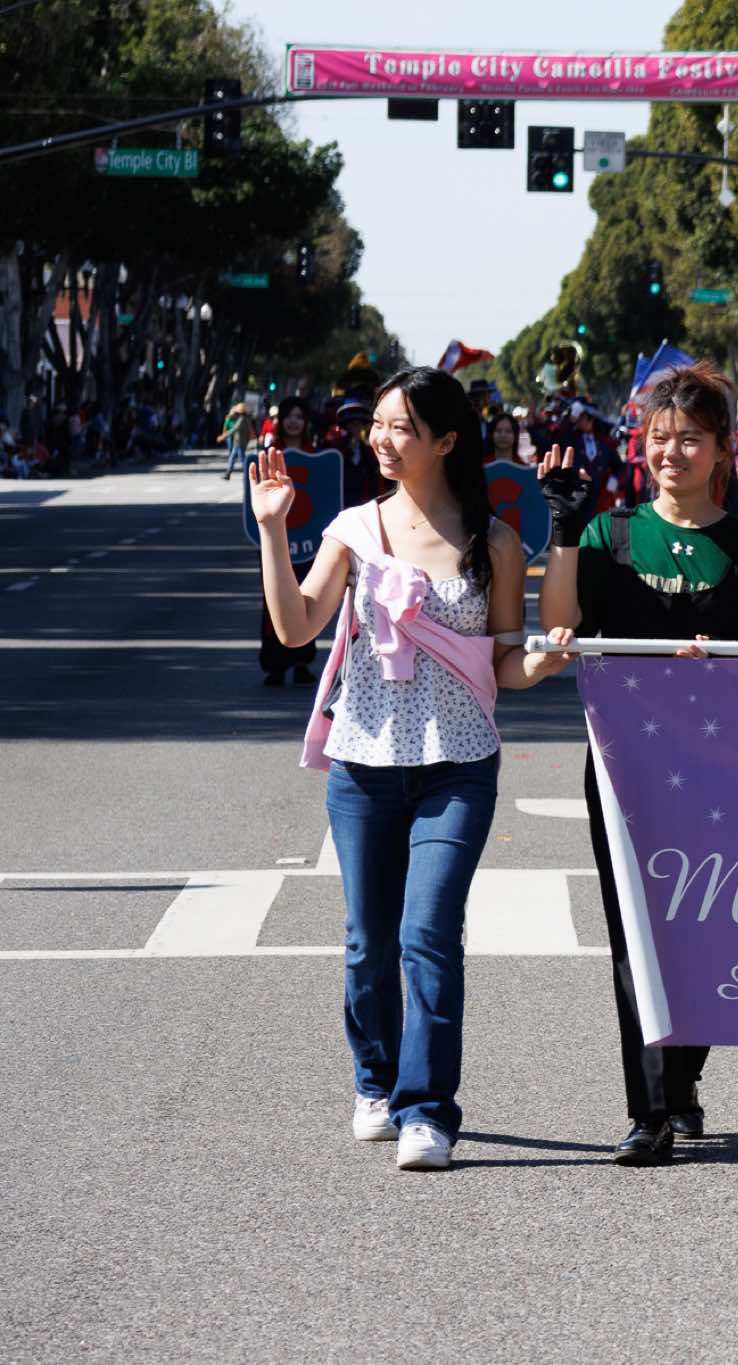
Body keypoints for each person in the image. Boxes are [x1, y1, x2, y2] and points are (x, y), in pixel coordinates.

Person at [251, 365, 569, 1171]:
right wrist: (271, 529)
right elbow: (295, 628)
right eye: (380, 424)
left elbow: (502, 663)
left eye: (402, 427)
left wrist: (541, 662)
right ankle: (376, 1081)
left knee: (427, 932)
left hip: (458, 766)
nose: (382, 439)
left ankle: (427, 1109)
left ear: (447, 440)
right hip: (363, 765)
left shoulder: (495, 542)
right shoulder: (355, 530)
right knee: (368, 942)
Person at [536, 361, 738, 1164]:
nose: (671, 453)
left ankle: (682, 1077)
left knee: (710, 929)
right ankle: (648, 1109)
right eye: (659, 438)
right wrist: (564, 531)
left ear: (722, 450)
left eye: (690, 439)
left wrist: (727, 660)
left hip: (722, 769)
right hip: (626, 762)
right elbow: (560, 623)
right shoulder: (610, 534)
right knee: (632, 934)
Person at [256, 396, 322, 686]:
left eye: (299, 416)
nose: (294, 421)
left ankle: (301, 662)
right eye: (289, 416)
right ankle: (275, 664)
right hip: (277, 538)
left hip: (309, 542)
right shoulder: (269, 456)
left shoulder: (318, 456)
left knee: (307, 599)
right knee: (273, 601)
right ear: (281, 420)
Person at [220, 402, 253, 480]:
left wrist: (223, 436)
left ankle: (249, 475)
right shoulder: (243, 419)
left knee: (242, 460)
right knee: (232, 458)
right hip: (238, 443)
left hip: (240, 443)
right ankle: (228, 474)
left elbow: (234, 429)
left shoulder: (242, 420)